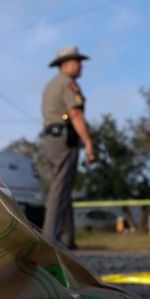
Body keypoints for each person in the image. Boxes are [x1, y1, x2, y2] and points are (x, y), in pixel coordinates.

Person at [40, 45, 96, 249]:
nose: (81, 66)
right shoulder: (68, 84)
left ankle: (67, 239)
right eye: (77, 62)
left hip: (52, 139)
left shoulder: (51, 85)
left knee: (63, 187)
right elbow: (75, 115)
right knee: (60, 187)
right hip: (64, 139)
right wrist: (88, 142)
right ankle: (50, 240)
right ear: (65, 64)